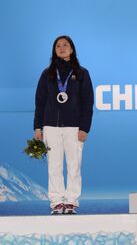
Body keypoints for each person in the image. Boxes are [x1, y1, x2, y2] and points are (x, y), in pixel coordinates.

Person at [34, 36, 94, 215]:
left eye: (65, 45)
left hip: (74, 127)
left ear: (72, 49)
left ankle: (71, 202)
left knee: (74, 166)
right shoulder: (47, 74)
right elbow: (40, 101)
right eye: (58, 46)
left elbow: (88, 102)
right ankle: (56, 202)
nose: (61, 48)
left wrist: (84, 128)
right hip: (51, 127)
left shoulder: (82, 73)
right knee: (54, 166)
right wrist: (38, 127)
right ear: (54, 50)